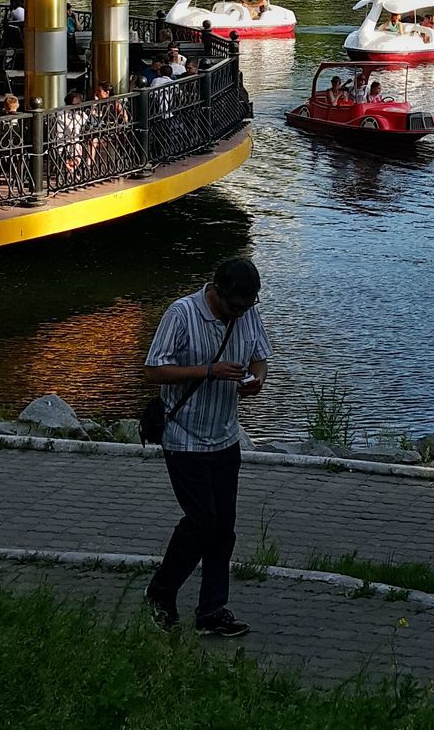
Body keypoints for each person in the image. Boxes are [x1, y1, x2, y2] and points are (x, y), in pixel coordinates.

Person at [144, 257, 271, 637]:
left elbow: (260, 357)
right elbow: (153, 369)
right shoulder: (181, 314)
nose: (241, 313)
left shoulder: (246, 312)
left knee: (223, 528)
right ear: (216, 290)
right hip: (183, 436)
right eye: (235, 306)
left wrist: (256, 380)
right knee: (200, 522)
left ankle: (212, 610)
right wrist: (209, 370)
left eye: (247, 307)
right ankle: (161, 593)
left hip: (225, 436)